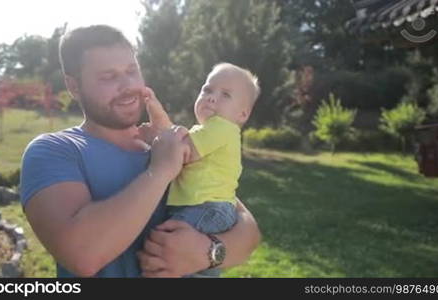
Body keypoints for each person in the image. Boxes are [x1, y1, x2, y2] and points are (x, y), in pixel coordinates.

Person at [19, 24, 261, 278]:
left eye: (132, 71)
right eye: (108, 77)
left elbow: (248, 230)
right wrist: (160, 171)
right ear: (74, 86)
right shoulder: (54, 151)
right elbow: (83, 255)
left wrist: (207, 252)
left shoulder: (167, 144)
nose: (128, 85)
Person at [138, 63, 260, 277]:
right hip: (205, 207)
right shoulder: (207, 131)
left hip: (206, 207)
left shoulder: (222, 128)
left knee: (166, 253)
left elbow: (181, 152)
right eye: (207, 90)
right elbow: (179, 146)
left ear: (242, 114)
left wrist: (155, 138)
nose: (212, 97)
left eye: (225, 95)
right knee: (194, 268)